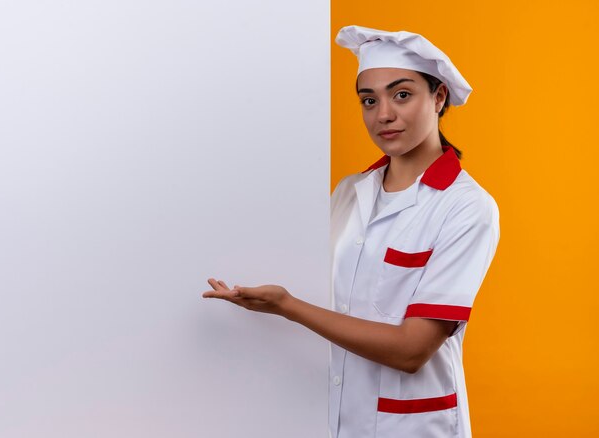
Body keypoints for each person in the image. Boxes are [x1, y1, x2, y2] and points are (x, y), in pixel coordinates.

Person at [202, 24, 500, 438]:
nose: (383, 115)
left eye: (401, 94)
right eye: (368, 100)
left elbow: (413, 350)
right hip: (330, 416)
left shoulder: (466, 207)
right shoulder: (348, 192)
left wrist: (287, 305)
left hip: (414, 426)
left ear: (438, 96)